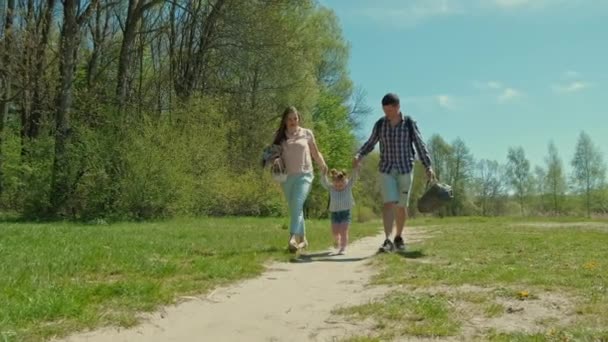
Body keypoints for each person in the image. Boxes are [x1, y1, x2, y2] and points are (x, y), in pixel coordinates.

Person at [353, 93, 435, 252]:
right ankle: (388, 239)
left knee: (401, 205)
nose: (387, 114)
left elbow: (420, 145)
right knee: (388, 203)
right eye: (384, 111)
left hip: (405, 168)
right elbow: (370, 143)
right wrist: (359, 155)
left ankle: (398, 237)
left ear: (397, 107)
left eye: (389, 111)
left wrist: (428, 166)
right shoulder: (380, 124)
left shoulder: (409, 124)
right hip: (386, 169)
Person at [273, 106, 328, 252]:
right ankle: (303, 240)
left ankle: (292, 238)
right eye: (290, 119)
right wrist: (275, 161)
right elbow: (272, 156)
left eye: (295, 118)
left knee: (297, 203)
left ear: (299, 119)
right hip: (287, 178)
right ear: (285, 120)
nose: (293, 121)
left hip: (305, 175)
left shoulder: (307, 133)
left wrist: (323, 165)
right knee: (295, 209)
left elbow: (315, 153)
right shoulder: (279, 136)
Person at [320, 168, 358, 255]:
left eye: (341, 185)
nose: (338, 187)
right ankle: (336, 240)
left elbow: (354, 178)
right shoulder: (331, 188)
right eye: (336, 185)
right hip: (335, 213)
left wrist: (355, 168)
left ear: (345, 182)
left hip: (345, 213)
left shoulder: (348, 186)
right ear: (333, 183)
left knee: (344, 231)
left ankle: (343, 248)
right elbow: (324, 183)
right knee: (335, 232)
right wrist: (324, 174)